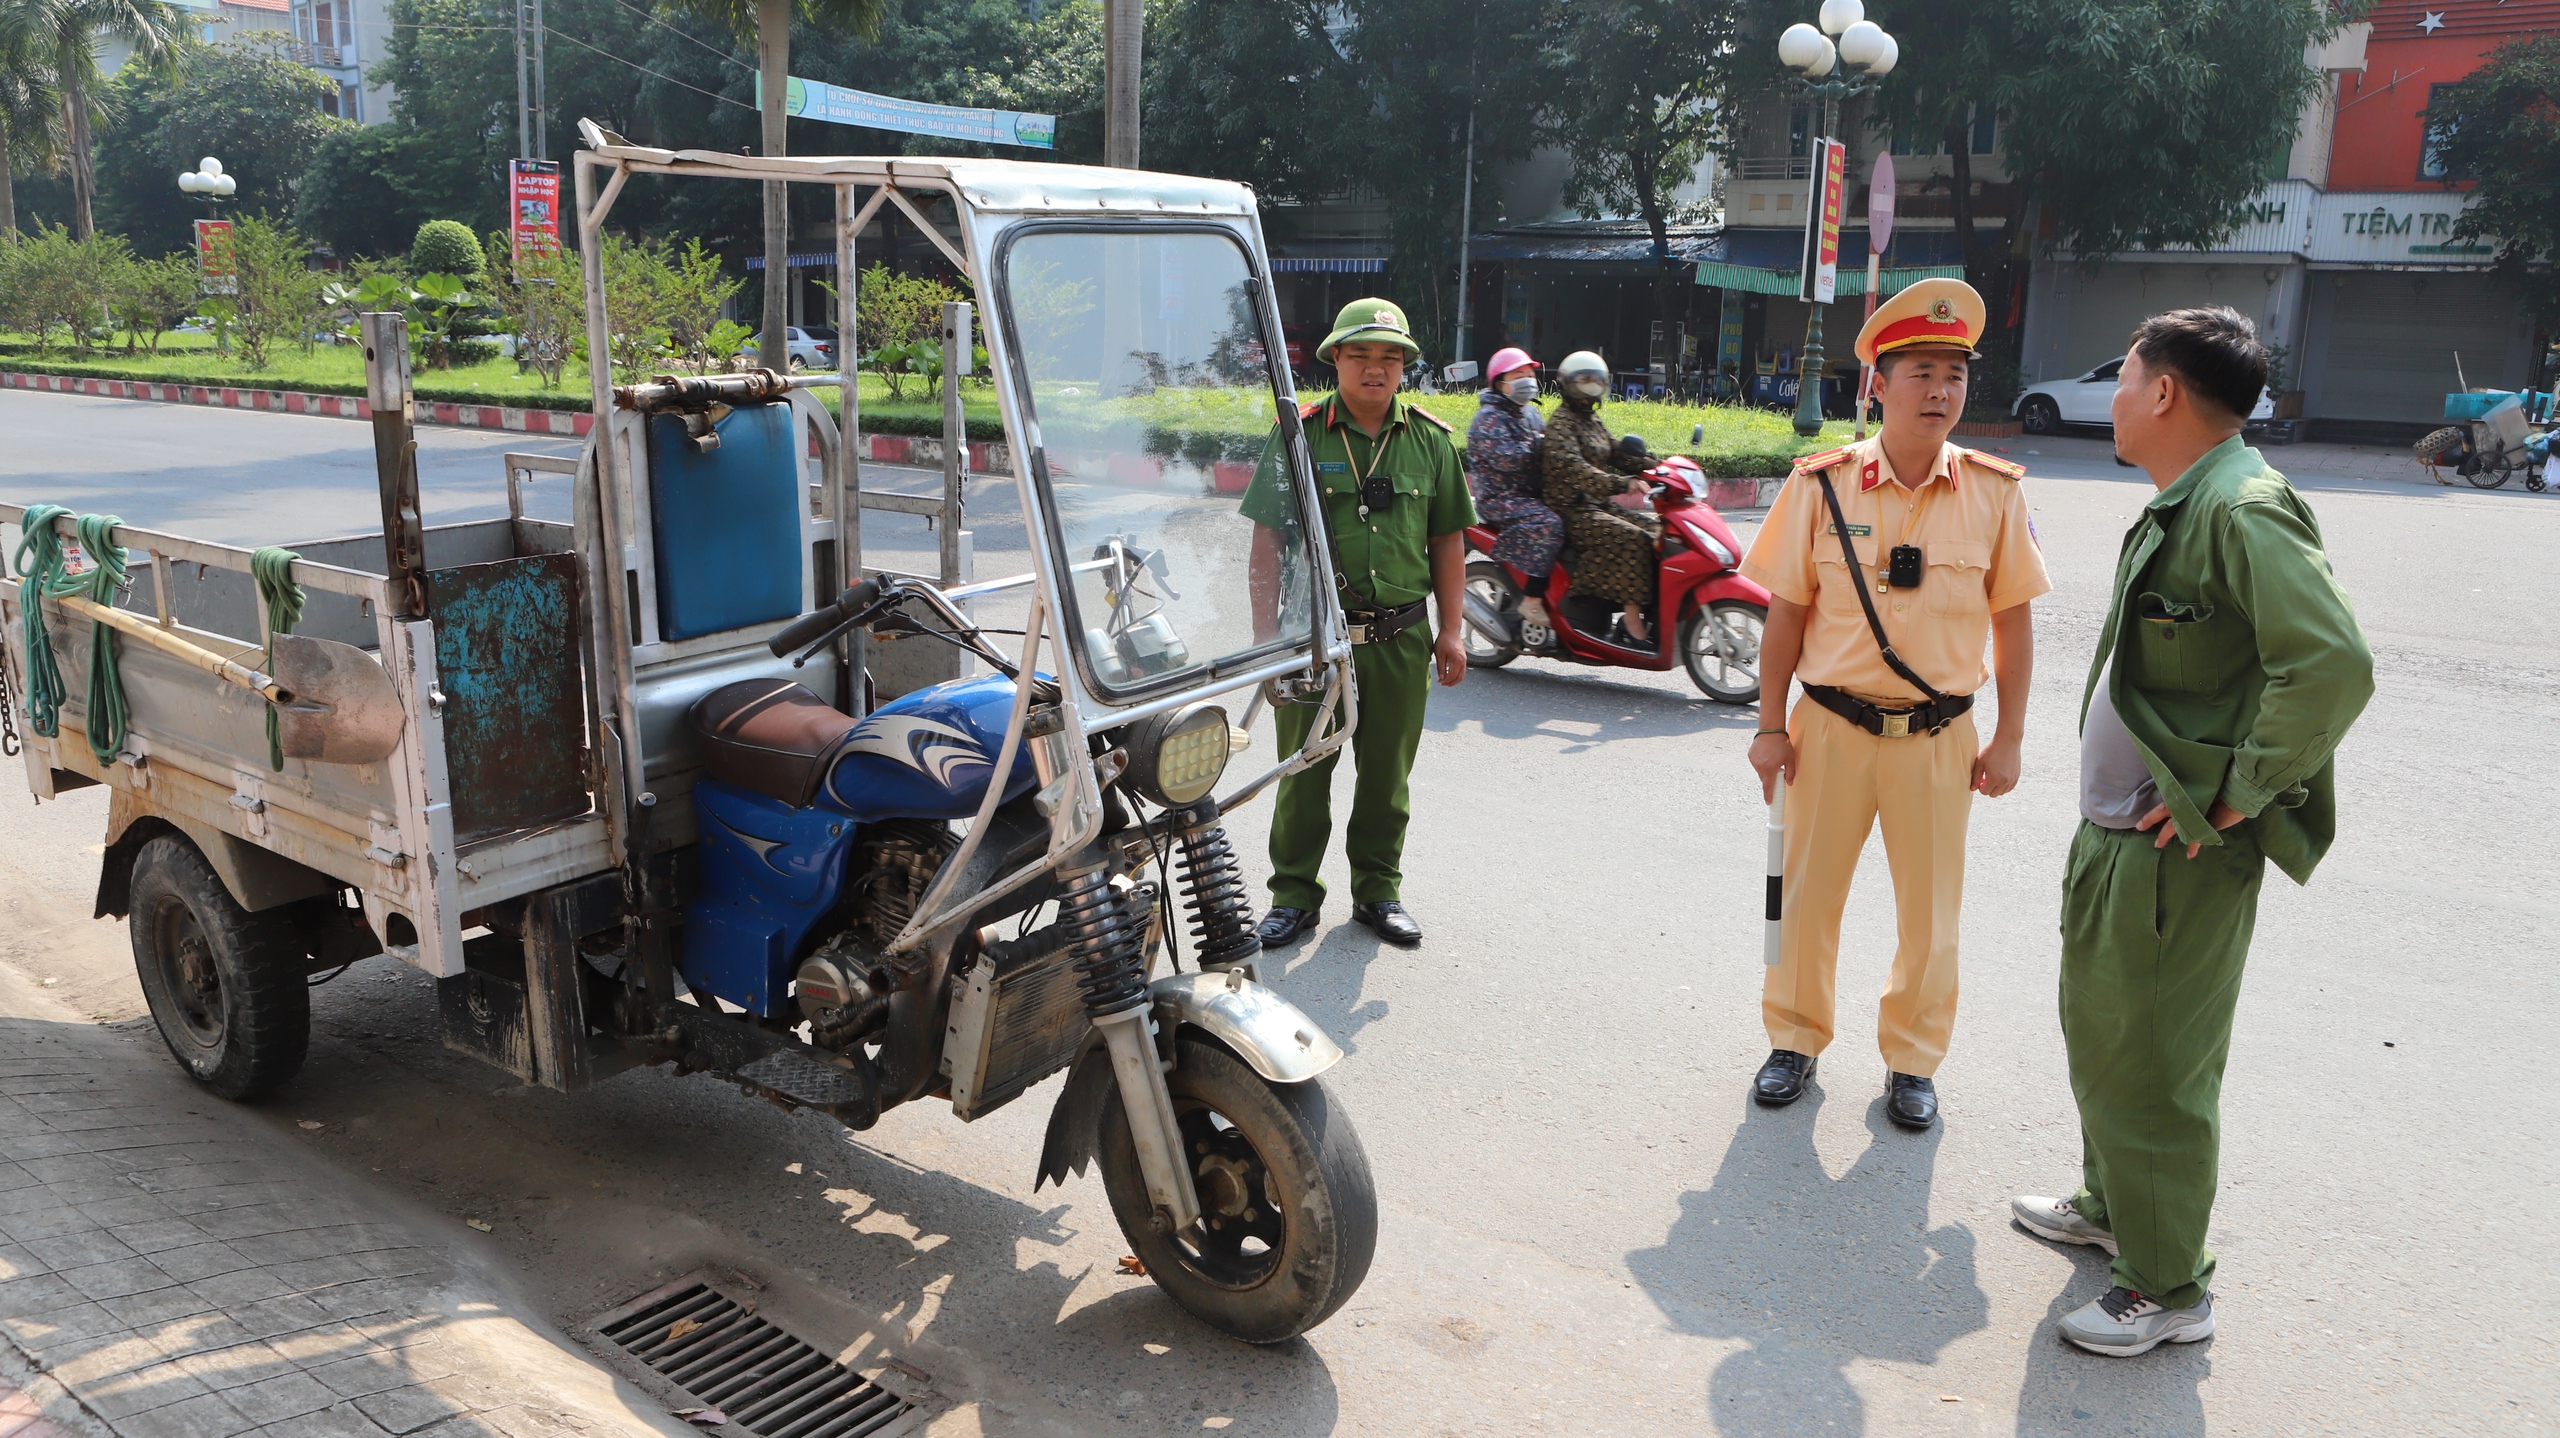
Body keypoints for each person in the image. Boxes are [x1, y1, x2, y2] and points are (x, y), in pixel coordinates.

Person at [2012, 307, 2372, 1357]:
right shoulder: (2186, 497)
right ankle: (2114, 1204)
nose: (2114, 394)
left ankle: (2168, 1287)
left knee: (2156, 1061)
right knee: (2102, 1030)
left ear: (2163, 391)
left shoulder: (2242, 508)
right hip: (2118, 832)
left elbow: (2332, 666)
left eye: (2123, 375)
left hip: (2178, 848)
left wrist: (2231, 796)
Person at [1739, 278, 2048, 1132]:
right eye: (1920, 371)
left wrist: (2011, 739)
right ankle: (1793, 1040)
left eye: (1954, 374)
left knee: (1932, 912)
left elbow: (2013, 629)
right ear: (1877, 381)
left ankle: (1913, 1062)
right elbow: (1787, 615)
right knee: (1800, 898)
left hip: (1940, 739)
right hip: (1829, 728)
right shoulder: (1823, 484)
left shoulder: (1995, 493)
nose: (1941, 391)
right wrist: (1769, 726)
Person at [1242, 298, 1475, 949]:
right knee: (1303, 772)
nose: (1376, 370)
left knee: (1385, 780)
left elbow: (1447, 542)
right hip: (1314, 640)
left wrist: (1451, 630)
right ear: (1336, 359)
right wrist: (1266, 641)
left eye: (1389, 359)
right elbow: (1267, 540)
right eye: (1362, 356)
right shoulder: (1302, 436)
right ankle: (1292, 896)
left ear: (1403, 368)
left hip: (1401, 639)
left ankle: (1377, 891)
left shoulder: (1430, 442)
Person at [1540, 351, 1661, 646]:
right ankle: (1629, 624)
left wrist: (1654, 466)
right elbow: (1576, 470)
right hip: (1570, 510)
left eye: (1596, 379)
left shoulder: (1591, 419)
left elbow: (1614, 451)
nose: (1590, 385)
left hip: (1595, 505)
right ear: (1567, 383)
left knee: (1658, 532)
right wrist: (1622, 484)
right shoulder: (1561, 423)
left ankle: (1653, 611)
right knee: (1634, 538)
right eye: (1583, 379)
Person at [1464, 348, 1560, 626]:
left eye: (1530, 374)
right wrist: (1541, 448)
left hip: (1527, 495)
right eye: (1519, 375)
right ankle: (1531, 598)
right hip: (1500, 499)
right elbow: (1508, 460)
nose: (1528, 380)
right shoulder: (1489, 418)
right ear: (1500, 382)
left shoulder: (1528, 413)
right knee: (1550, 524)